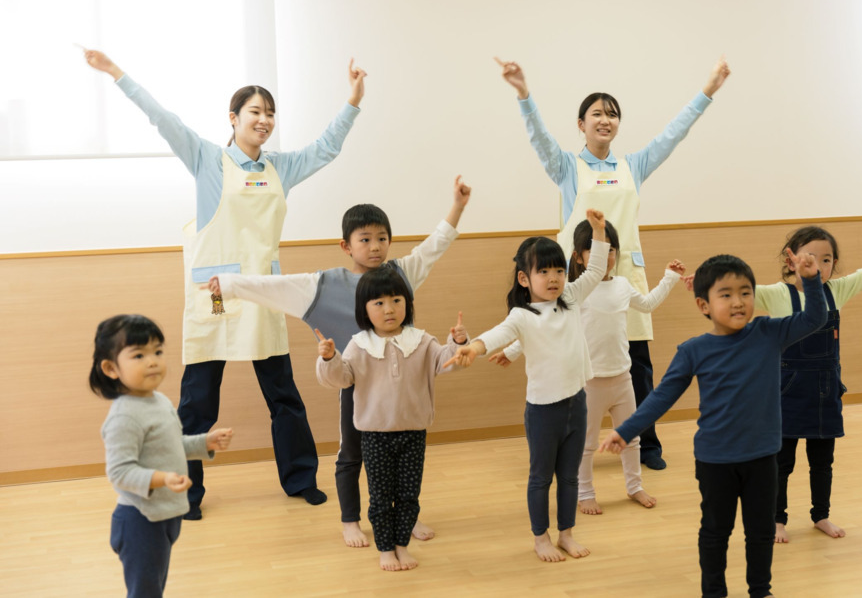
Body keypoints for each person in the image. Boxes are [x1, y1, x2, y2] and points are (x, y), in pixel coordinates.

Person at [83, 49, 365, 519]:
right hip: (214, 295)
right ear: (233, 118)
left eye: (270, 113)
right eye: (255, 111)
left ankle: (300, 479)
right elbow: (163, 118)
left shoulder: (280, 168)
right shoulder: (207, 160)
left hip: (262, 293)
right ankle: (185, 493)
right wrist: (116, 73)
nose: (264, 120)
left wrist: (353, 99)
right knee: (197, 405)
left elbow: (326, 148)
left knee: (284, 397)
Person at [494, 55, 730, 471]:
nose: (606, 120)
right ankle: (571, 447)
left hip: (625, 275)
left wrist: (709, 89)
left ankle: (646, 444)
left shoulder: (633, 165)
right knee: (570, 361)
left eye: (612, 114)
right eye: (597, 114)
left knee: (637, 365)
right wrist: (523, 93)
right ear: (581, 124)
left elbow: (674, 133)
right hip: (579, 280)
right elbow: (539, 138)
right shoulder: (566, 166)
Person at [207, 176, 470, 547]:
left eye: (382, 238)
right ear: (346, 246)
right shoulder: (324, 285)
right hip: (357, 386)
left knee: (403, 459)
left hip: (404, 387)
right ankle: (350, 520)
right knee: (352, 455)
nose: (375, 247)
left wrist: (457, 206)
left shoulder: (401, 274)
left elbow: (434, 246)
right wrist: (230, 285)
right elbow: (274, 287)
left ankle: (405, 516)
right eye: (365, 239)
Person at [601, 251, 827, 598]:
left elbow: (814, 318)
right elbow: (661, 397)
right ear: (703, 305)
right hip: (715, 460)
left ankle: (760, 590)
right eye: (726, 294)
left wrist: (810, 281)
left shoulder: (768, 332)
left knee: (760, 530)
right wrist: (626, 430)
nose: (738, 302)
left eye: (745, 292)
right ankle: (714, 592)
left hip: (762, 457)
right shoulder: (694, 350)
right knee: (715, 532)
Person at [446, 209, 608, 563]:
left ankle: (566, 534)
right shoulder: (521, 316)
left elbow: (596, 269)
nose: (554, 278)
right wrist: (473, 348)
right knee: (541, 478)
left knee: (569, 476)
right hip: (543, 411)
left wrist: (598, 231)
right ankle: (541, 538)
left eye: (559, 270)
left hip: (576, 403)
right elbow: (498, 334)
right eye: (544, 271)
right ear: (524, 278)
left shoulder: (571, 298)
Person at [491, 219, 684, 514]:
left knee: (632, 439)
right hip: (590, 383)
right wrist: (512, 351)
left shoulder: (622, 286)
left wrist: (669, 277)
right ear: (580, 257)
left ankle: (634, 486)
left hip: (622, 378)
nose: (606, 255)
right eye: (596, 249)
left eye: (611, 249)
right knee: (586, 444)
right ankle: (585, 493)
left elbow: (647, 305)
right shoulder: (573, 291)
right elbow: (543, 327)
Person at [754, 226, 862, 543]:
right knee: (781, 463)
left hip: (824, 393)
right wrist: (706, 283)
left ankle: (821, 515)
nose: (819, 266)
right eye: (810, 258)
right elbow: (740, 289)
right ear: (791, 261)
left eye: (827, 259)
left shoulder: (837, 291)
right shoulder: (777, 294)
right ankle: (777, 520)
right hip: (785, 394)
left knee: (822, 462)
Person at [314, 265, 469, 571]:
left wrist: (459, 344)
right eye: (379, 303)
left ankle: (401, 546)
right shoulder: (359, 344)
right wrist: (329, 358)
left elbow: (447, 362)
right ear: (364, 310)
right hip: (375, 436)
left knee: (409, 496)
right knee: (381, 497)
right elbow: (341, 378)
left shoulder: (422, 341)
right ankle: (386, 549)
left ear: (407, 304)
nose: (389, 309)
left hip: (413, 434)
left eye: (397, 300)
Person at [90, 314, 233, 597]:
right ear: (110, 368)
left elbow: (170, 445)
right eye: (139, 355)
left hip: (166, 513)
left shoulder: (158, 401)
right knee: (146, 592)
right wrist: (162, 478)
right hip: (140, 520)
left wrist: (205, 442)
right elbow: (119, 472)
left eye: (157, 351)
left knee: (155, 586)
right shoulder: (124, 416)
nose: (152, 361)